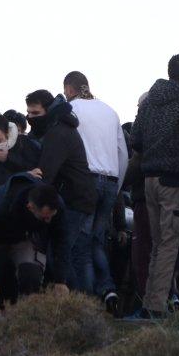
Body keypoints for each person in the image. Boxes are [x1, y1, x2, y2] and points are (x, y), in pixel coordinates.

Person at [128, 54, 179, 319]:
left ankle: (150, 301)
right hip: (173, 181)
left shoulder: (149, 100)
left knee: (157, 244)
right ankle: (156, 306)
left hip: (148, 180)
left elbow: (136, 140)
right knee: (170, 244)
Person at [0, 173, 70, 317]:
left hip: (24, 237)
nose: (48, 221)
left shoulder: (57, 206)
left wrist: (61, 280)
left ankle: (24, 322)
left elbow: (61, 241)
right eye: (45, 217)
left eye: (51, 217)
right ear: (30, 207)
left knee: (31, 274)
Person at [63, 71, 128, 311]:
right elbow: (123, 154)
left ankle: (89, 301)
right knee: (98, 241)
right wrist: (116, 185)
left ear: (68, 89)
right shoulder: (110, 112)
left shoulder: (72, 110)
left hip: (85, 181)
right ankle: (109, 290)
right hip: (110, 180)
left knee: (81, 242)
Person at [27, 90, 97, 289]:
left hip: (74, 200)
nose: (31, 118)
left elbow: (45, 173)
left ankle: (75, 303)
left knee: (60, 256)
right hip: (77, 197)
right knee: (74, 255)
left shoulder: (57, 133)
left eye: (35, 113)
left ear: (48, 111)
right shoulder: (60, 128)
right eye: (29, 114)